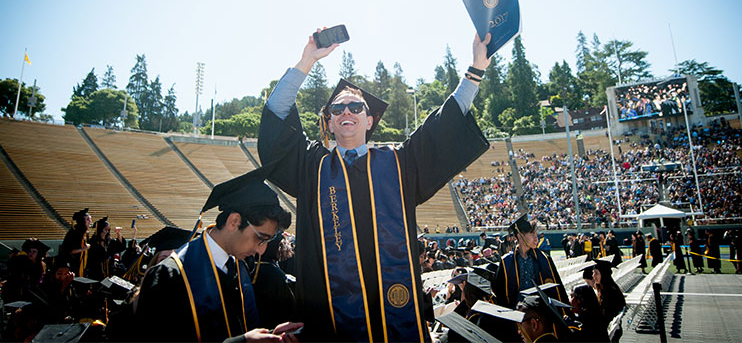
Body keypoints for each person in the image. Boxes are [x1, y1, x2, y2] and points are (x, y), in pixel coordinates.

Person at [258, 31, 491, 342]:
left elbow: (444, 124)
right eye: (337, 109)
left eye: (356, 107)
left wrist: (475, 69)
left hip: (398, 320)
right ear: (328, 122)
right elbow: (276, 114)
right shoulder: (312, 167)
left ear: (369, 121)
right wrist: (308, 60)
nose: (346, 112)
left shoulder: (397, 163)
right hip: (332, 325)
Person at [135, 167, 302, 342]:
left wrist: (268, 335)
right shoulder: (169, 276)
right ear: (234, 221)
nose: (261, 250)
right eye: (260, 238)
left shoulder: (238, 267)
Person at [87, 216, 126, 280]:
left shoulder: (109, 241)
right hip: (97, 270)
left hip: (109, 270)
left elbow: (120, 247)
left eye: (108, 229)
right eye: (105, 229)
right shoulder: (93, 242)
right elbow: (98, 257)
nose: (107, 231)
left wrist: (118, 233)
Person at [591, 259, 625, 326]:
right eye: (593, 273)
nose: (593, 276)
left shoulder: (609, 292)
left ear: (604, 275)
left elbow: (607, 315)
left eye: (596, 273)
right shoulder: (608, 288)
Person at [59, 208, 92, 277]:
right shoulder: (73, 233)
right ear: (82, 221)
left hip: (83, 264)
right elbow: (68, 251)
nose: (90, 221)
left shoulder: (85, 233)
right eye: (87, 219)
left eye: (90, 219)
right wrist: (83, 249)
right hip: (73, 266)